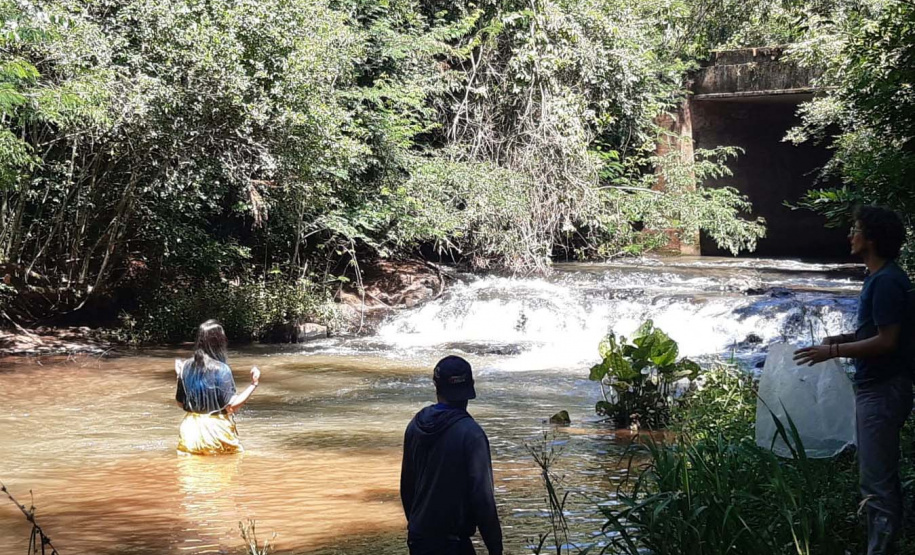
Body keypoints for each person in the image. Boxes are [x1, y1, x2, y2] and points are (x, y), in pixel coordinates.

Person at [794, 205, 913, 555]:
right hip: (879, 388)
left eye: (856, 229)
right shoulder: (881, 277)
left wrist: (831, 354)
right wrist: (841, 340)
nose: (850, 236)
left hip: (883, 390)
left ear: (871, 239)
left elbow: (888, 341)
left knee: (876, 481)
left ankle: (880, 550)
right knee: (876, 477)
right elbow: (879, 330)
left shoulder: (888, 281)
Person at [400, 355, 503, 555]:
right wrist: (496, 549)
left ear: (436, 386)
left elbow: (407, 488)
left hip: (419, 541)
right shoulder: (472, 434)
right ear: (470, 387)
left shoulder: (416, 425)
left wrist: (416, 528)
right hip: (453, 545)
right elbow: (483, 501)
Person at [175, 319, 261, 455]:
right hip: (216, 432)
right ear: (219, 342)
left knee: (190, 473)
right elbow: (231, 407)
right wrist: (253, 384)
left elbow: (180, 403)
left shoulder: (185, 367)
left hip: (190, 431)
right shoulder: (222, 369)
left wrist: (180, 377)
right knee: (220, 473)